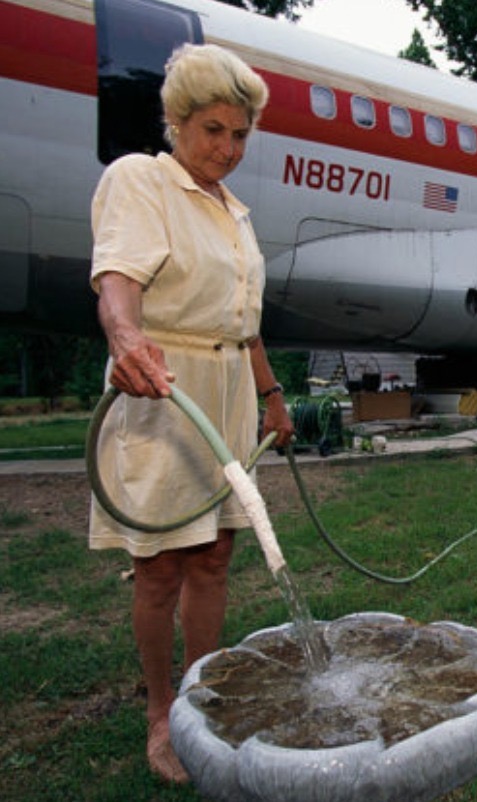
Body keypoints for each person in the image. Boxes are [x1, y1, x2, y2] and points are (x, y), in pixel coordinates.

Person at [88, 43, 294, 784]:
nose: (228, 149)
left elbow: (244, 318)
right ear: (177, 121)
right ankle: (159, 711)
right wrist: (125, 335)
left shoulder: (234, 211)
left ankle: (201, 697)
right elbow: (117, 274)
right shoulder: (142, 181)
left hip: (229, 388)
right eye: (213, 130)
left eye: (240, 135)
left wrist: (272, 395)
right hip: (162, 388)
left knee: (214, 554)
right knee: (160, 568)